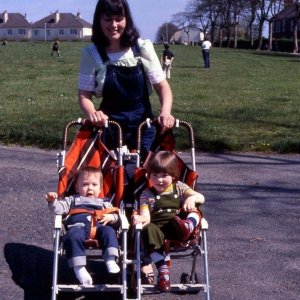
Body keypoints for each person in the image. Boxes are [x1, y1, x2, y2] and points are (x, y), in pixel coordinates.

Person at [77, 0, 174, 157]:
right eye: (108, 19)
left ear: (126, 19)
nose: (114, 25)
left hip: (144, 126)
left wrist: (165, 112)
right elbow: (84, 95)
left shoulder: (142, 49)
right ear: (98, 20)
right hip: (109, 127)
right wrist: (92, 113)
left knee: (150, 176)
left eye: (118, 18)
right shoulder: (91, 54)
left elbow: (163, 87)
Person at [132, 151, 205, 292]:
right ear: (149, 176)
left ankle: (189, 225)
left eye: (164, 175)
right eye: (155, 175)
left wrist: (191, 198)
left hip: (177, 225)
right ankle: (163, 270)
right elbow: (146, 216)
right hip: (158, 229)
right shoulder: (146, 194)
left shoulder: (179, 187)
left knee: (195, 210)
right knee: (148, 228)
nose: (159, 180)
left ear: (173, 175)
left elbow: (200, 197)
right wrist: (140, 218)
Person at [45, 166, 120, 285]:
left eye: (94, 185)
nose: (90, 188)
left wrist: (112, 217)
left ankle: (110, 259)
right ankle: (79, 269)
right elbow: (58, 209)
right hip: (77, 227)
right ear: (77, 187)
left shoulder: (104, 202)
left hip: (100, 226)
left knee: (109, 232)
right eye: (85, 185)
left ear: (100, 189)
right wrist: (52, 201)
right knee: (72, 237)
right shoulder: (72, 200)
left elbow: (117, 216)